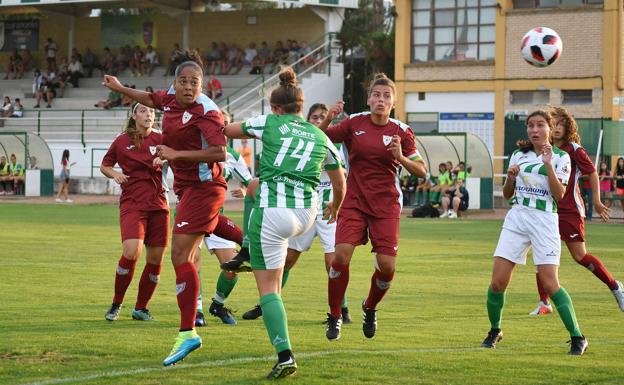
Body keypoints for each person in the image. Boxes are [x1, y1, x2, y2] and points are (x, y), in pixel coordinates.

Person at [103, 49, 227, 366]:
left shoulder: (207, 111)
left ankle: (188, 331)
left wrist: (173, 153)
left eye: (194, 82)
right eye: (182, 81)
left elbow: (219, 153)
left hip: (201, 189)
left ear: (203, 84)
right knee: (180, 250)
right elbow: (149, 96)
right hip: (187, 192)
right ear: (174, 82)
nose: (187, 87)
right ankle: (248, 243)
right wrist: (118, 88)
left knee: (179, 256)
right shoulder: (169, 99)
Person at [222, 67, 346, 379]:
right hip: (305, 214)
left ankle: (285, 355)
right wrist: (335, 205)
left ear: (276, 108)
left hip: (273, 213)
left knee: (267, 289)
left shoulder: (270, 122)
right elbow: (340, 180)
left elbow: (229, 131)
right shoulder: (319, 134)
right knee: (274, 284)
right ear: (301, 108)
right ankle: (250, 256)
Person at [319, 73, 427, 341]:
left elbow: (422, 171)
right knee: (340, 257)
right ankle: (335, 315)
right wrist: (329, 118)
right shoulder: (354, 123)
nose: (381, 99)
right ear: (369, 99)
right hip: (354, 201)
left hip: (386, 206)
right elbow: (319, 138)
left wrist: (400, 156)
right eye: (376, 95)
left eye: (386, 96)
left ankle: (370, 307)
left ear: (393, 102)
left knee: (387, 267)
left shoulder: (401, 131)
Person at [481, 109, 588, 355]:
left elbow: (559, 195)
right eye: (531, 125)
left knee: (551, 284)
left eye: (540, 125)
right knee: (497, 282)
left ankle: (577, 336)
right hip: (517, 218)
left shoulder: (561, 157)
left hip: (544, 221)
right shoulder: (519, 154)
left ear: (550, 129)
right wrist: (509, 178)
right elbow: (507, 194)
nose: (534, 130)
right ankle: (495, 330)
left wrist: (548, 165)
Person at [239, 103, 353, 323]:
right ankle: (268, 301)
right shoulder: (296, 141)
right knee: (288, 259)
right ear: (305, 119)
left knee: (333, 262)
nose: (319, 120)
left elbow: (324, 137)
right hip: (302, 206)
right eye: (315, 116)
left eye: (322, 116)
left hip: (327, 207)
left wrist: (330, 118)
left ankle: (341, 310)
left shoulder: (326, 141)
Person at [529, 107, 622, 317]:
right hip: (548, 210)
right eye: (554, 125)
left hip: (570, 211)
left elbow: (592, 173)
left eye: (561, 124)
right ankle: (544, 302)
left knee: (580, 256)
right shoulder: (545, 149)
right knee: (542, 255)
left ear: (568, 127)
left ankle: (615, 286)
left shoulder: (574, 149)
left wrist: (597, 201)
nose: (557, 128)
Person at [100, 102, 169, 322]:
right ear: (134, 116)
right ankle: (116, 303)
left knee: (156, 259)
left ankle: (141, 308)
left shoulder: (160, 138)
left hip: (159, 204)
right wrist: (115, 175)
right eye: (143, 111)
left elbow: (175, 154)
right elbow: (105, 164)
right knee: (132, 252)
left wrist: (165, 157)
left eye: (151, 111)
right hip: (133, 203)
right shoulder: (122, 141)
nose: (148, 114)